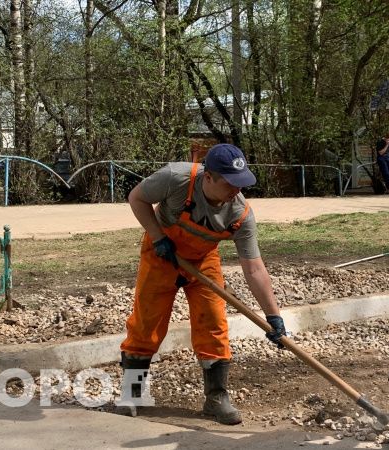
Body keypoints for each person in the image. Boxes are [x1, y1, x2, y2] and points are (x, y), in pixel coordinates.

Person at [117, 143, 287, 424]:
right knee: (146, 323)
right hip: (161, 255)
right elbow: (136, 198)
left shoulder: (241, 215)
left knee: (213, 323)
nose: (236, 191)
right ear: (209, 177)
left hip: (202, 262)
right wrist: (158, 237)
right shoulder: (175, 178)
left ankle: (216, 398)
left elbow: (254, 268)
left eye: (241, 184)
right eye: (230, 184)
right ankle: (132, 391)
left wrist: (273, 316)